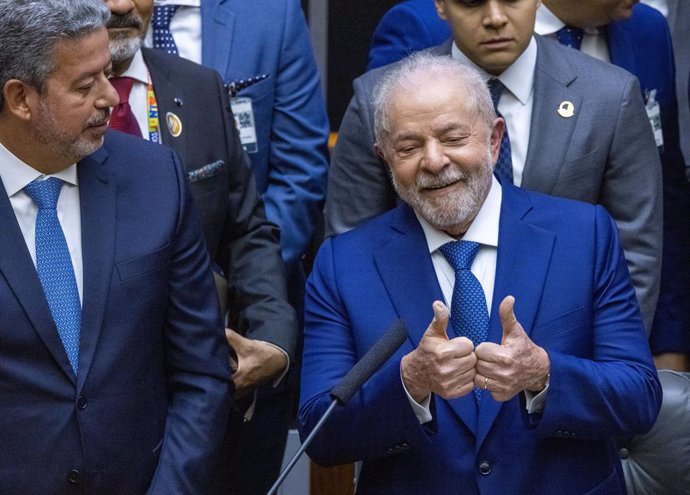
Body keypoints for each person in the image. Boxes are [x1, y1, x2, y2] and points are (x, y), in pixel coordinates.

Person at [299, 52, 662, 494]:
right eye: (409, 148)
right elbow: (321, 432)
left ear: (494, 139)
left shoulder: (583, 235)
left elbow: (640, 399)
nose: (433, 161)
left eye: (453, 138)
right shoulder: (345, 264)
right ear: (384, 158)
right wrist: (410, 384)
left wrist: (543, 373)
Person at [362, 0, 690, 370]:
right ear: (441, 6)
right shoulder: (379, 93)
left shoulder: (611, 93)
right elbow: (356, 248)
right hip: (428, 370)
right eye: (472, 3)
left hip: (566, 371)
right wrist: (412, 377)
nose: (495, 18)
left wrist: (582, 374)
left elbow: (637, 249)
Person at [0, 0, 230, 492]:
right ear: (20, 98)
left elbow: (201, 376)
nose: (111, 97)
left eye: (108, 73)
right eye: (85, 86)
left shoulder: (157, 179)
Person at [104, 0, 299, 486]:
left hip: (207, 395)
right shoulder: (32, 108)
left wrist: (273, 337)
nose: (121, 5)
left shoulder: (197, 85)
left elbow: (247, 229)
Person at [147, 1, 330, 491]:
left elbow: (297, 173)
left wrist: (231, 293)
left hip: (232, 334)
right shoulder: (61, 27)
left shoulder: (269, 14)